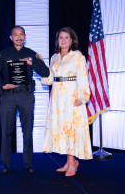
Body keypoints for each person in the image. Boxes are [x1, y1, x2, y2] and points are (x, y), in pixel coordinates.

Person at [0, 26, 50, 173]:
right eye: (15, 35)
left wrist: (31, 63)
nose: (18, 37)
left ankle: (28, 163)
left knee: (27, 130)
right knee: (6, 130)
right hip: (8, 96)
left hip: (26, 96)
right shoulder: (3, 54)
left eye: (21, 35)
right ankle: (5, 162)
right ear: (11, 38)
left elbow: (45, 72)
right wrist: (2, 85)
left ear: (25, 36)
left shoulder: (31, 54)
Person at [41, 27, 92, 177]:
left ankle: (72, 164)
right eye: (60, 37)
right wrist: (39, 64)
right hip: (57, 98)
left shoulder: (78, 56)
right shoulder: (54, 57)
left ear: (72, 40)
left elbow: (83, 77)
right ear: (57, 40)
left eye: (66, 37)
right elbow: (49, 79)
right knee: (62, 128)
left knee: (71, 129)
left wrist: (82, 97)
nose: (63, 40)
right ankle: (70, 161)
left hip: (71, 97)